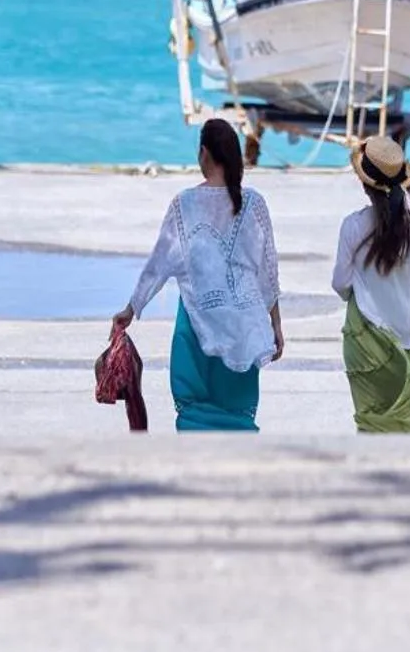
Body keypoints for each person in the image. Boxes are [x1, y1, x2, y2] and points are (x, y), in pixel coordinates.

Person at [113, 118, 283, 431]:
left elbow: (158, 264)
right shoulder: (255, 203)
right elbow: (267, 273)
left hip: (196, 326)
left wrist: (132, 307)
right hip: (244, 328)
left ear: (204, 153)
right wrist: (275, 324)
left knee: (194, 415)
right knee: (238, 417)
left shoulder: (185, 204)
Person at [332, 135, 410, 433]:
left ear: (364, 184)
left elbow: (341, 284)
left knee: (374, 431)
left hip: (369, 348)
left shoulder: (353, 226)